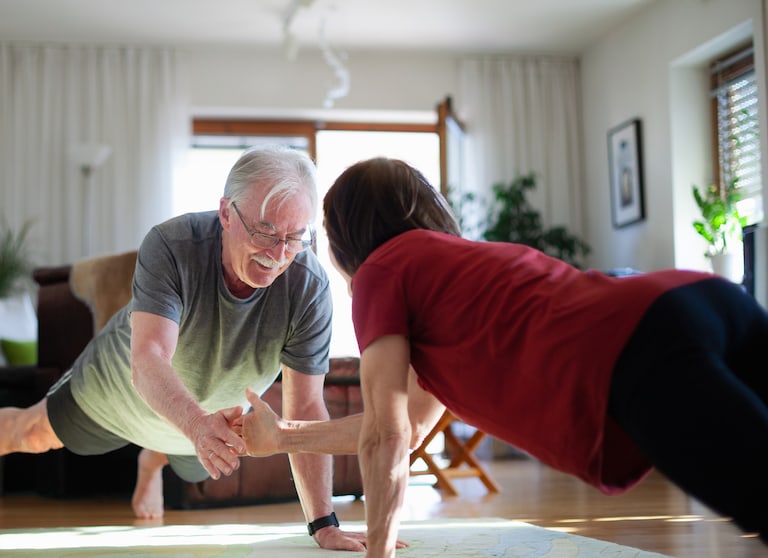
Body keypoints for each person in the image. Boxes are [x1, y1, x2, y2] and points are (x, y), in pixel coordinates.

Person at [243, 157, 768, 558]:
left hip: (639, 348)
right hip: (701, 299)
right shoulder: (449, 272)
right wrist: (280, 437)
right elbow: (409, 425)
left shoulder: (383, 270)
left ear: (345, 238)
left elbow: (388, 435)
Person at [0, 144, 369, 551]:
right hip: (120, 387)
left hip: (204, 414)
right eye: (265, 231)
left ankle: (151, 461)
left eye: (295, 237)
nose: (278, 253)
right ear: (226, 214)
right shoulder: (173, 245)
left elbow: (306, 408)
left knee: (191, 458)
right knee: (31, 432)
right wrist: (196, 426)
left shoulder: (308, 286)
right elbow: (148, 360)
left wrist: (323, 524)